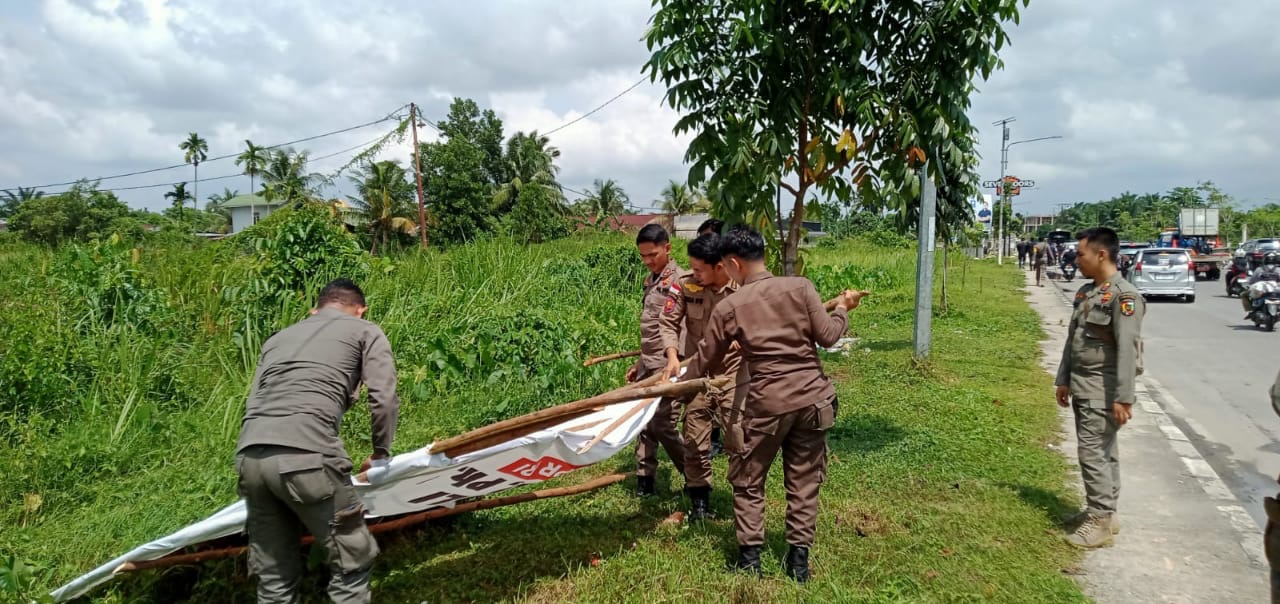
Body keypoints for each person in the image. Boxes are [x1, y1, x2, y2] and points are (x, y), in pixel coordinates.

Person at [682, 226, 866, 582]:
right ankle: (798, 563)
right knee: (804, 479)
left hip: (768, 406)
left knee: (748, 479)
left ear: (733, 264)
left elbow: (706, 360)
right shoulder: (800, 287)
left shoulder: (731, 306)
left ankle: (750, 560)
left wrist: (675, 374)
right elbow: (828, 336)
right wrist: (843, 308)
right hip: (814, 401)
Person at [236, 278, 401, 603]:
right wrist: (381, 453)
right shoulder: (365, 330)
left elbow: (253, 402)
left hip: (249, 458)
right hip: (308, 457)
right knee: (351, 562)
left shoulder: (276, 339)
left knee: (273, 580)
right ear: (360, 310)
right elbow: (384, 397)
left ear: (315, 310)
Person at [1055, 227, 1145, 549]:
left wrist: (1124, 397)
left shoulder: (1125, 297)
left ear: (1101, 255)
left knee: (1093, 454)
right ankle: (1107, 513)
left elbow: (1127, 351)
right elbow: (1073, 340)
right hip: (1082, 384)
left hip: (1103, 390)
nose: (1076, 259)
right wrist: (1062, 378)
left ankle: (1100, 521)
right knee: (1105, 454)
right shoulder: (1086, 293)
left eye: (1081, 254)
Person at [657, 233, 738, 521]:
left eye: (701, 269)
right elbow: (667, 322)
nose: (695, 274)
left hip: (732, 374)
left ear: (720, 266)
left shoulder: (742, 289)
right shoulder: (685, 284)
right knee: (695, 437)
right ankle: (699, 501)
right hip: (696, 371)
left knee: (737, 438)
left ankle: (745, 500)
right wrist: (672, 356)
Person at [626, 224, 688, 497]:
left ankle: (694, 475)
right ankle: (645, 478)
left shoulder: (682, 281)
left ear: (667, 248)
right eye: (643, 256)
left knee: (663, 423)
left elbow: (680, 327)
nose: (649, 260)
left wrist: (676, 362)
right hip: (648, 362)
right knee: (643, 422)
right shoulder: (651, 281)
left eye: (653, 254)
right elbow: (651, 328)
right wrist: (640, 363)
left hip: (669, 364)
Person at [695, 217, 727, 456]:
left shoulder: (737, 284)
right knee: (701, 401)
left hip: (729, 358)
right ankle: (708, 441)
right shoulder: (691, 281)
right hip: (699, 353)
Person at [1242, 251, 1280, 317]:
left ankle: (1250, 310)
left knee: (1243, 294)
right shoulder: (1278, 269)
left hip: (1262, 291)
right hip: (1276, 291)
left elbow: (1252, 280)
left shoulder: (1259, 269)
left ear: (1264, 259)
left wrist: (1250, 283)